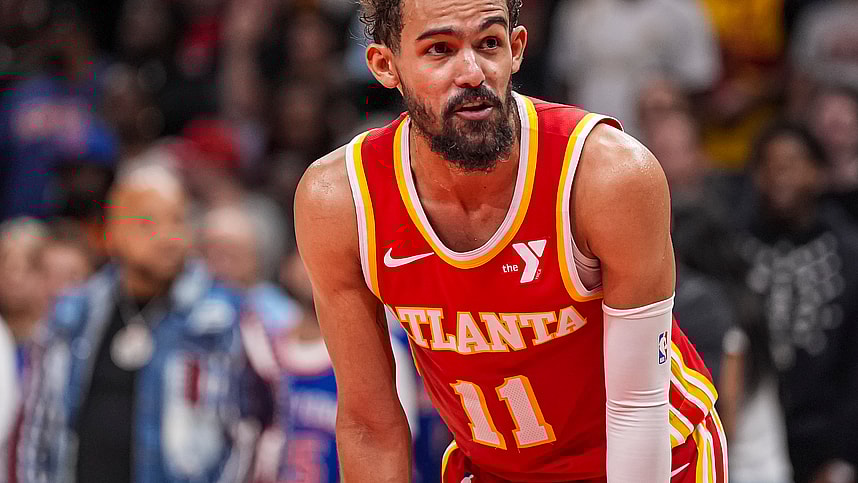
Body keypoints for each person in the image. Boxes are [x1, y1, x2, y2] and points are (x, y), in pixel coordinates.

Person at [294, 0, 727, 481]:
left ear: (517, 49)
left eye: (489, 43)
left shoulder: (607, 175)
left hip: (652, 457)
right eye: (440, 49)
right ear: (385, 66)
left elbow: (636, 408)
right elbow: (370, 425)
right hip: (495, 468)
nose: (472, 72)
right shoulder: (341, 200)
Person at [15, 161, 272, 483]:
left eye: (179, 220)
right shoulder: (72, 314)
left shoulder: (224, 319)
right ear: (112, 232)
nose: (168, 237)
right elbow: (35, 429)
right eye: (148, 222)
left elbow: (254, 432)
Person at [737, 122, 858, 483]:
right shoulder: (734, 246)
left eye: (792, 164)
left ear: (819, 172)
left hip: (828, 436)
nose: (780, 177)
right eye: (770, 166)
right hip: (749, 438)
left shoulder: (849, 252)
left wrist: (844, 456)